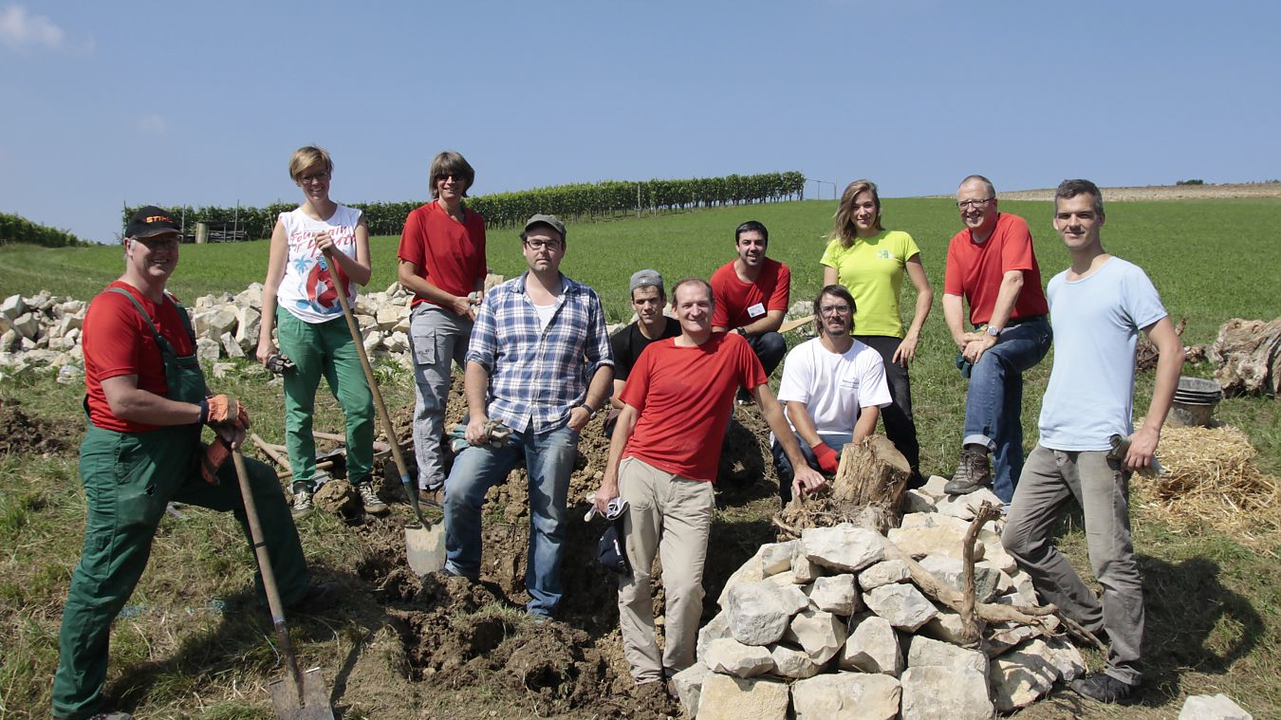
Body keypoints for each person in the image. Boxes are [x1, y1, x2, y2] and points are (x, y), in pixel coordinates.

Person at [53, 207, 330, 720]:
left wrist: (219, 438)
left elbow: (188, 383)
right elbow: (124, 401)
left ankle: (289, 592)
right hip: (128, 459)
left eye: (170, 242)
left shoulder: (174, 310)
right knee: (107, 574)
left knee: (261, 481)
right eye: (150, 242)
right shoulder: (113, 311)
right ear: (128, 247)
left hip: (178, 449)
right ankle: (75, 704)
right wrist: (203, 410)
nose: (162, 251)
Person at [1002, 180, 1184, 705]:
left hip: (1101, 443)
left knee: (1110, 558)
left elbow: (1170, 349)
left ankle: (1128, 669)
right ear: (1055, 222)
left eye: (1083, 214)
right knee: (1019, 537)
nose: (1073, 224)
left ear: (1100, 218)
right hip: (1053, 436)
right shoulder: (1058, 285)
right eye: (1064, 216)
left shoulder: (1127, 278)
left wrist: (1148, 430)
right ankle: (1092, 621)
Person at [593, 278, 825, 690]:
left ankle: (678, 666)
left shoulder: (733, 349)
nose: (695, 312)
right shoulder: (654, 354)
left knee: (685, 586)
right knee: (635, 577)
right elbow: (626, 418)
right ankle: (646, 673)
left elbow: (770, 407)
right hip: (641, 470)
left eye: (702, 304)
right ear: (675, 312)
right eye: (686, 306)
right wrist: (609, 480)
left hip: (695, 484)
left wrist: (799, 463)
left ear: (712, 307)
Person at [444, 214, 613, 618]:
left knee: (549, 517)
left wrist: (587, 409)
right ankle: (461, 571)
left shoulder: (584, 299)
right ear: (524, 248)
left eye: (551, 243)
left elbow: (603, 362)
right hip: (502, 419)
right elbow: (478, 359)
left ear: (563, 250)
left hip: (557, 423)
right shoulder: (500, 299)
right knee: (459, 490)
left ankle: (543, 605)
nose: (543, 250)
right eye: (536, 243)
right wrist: (476, 415)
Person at [257, 146, 380, 518]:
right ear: (297, 181)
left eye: (320, 174)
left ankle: (362, 478)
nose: (315, 182)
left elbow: (364, 275)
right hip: (297, 322)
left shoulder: (352, 219)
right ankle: (304, 484)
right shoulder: (289, 223)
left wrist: (336, 253)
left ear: (330, 175)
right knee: (299, 410)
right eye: (306, 177)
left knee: (360, 405)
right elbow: (271, 284)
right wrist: (266, 338)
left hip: (342, 324)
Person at [942, 175, 1052, 503]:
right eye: (964, 203)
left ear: (994, 203)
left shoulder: (1012, 226)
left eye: (978, 202)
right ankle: (1010, 498)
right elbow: (951, 295)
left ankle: (975, 456)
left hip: (1028, 329)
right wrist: (961, 336)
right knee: (1004, 416)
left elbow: (1015, 279)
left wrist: (990, 334)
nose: (971, 209)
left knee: (990, 359)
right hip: (987, 334)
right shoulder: (958, 243)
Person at [821, 180, 933, 485]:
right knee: (851, 414)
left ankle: (910, 479)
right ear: (847, 210)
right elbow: (828, 299)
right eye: (855, 206)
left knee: (898, 411)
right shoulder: (837, 248)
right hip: (848, 341)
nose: (862, 211)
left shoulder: (899, 240)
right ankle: (848, 476)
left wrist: (912, 335)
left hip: (889, 339)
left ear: (878, 207)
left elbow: (924, 292)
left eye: (868, 204)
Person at [397, 151, 487, 507]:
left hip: (467, 312)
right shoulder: (419, 218)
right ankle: (431, 481)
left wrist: (476, 295)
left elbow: (478, 269)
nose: (449, 182)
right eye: (442, 177)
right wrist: (451, 300)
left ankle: (460, 446)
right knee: (432, 399)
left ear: (467, 181)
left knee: (488, 385)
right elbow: (407, 276)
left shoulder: (475, 222)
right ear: (434, 181)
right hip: (433, 312)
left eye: (456, 177)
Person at [773, 284, 891, 504]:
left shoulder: (869, 358)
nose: (834, 314)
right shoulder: (801, 355)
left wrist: (855, 454)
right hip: (800, 435)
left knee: (870, 467)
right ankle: (792, 512)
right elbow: (794, 408)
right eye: (828, 309)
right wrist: (819, 449)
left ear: (851, 313)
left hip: (843, 437)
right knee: (794, 464)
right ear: (819, 316)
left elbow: (870, 411)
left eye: (841, 308)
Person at [710, 220, 790, 381]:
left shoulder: (780, 272)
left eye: (758, 243)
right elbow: (718, 329)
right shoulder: (720, 279)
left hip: (759, 336)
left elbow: (775, 320)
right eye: (747, 243)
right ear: (737, 247)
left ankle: (750, 388)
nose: (753, 248)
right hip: (730, 340)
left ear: (766, 246)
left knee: (775, 343)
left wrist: (742, 331)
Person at [606, 268, 680, 435]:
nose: (647, 307)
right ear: (632, 304)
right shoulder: (620, 342)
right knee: (615, 428)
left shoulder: (682, 333)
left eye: (652, 300)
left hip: (679, 405)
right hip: (641, 407)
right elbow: (617, 396)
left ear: (664, 301)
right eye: (640, 302)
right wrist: (653, 411)